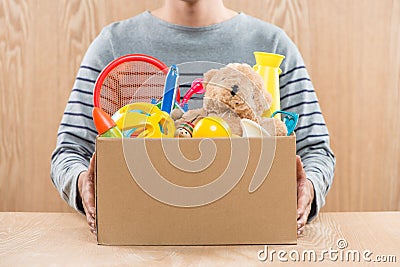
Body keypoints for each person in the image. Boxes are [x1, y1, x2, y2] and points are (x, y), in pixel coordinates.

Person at [51, 0, 335, 236]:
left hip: (249, 246)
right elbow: (69, 152)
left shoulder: (273, 46)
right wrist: (82, 184)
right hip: (137, 245)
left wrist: (308, 187)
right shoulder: (112, 44)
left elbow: (315, 151)